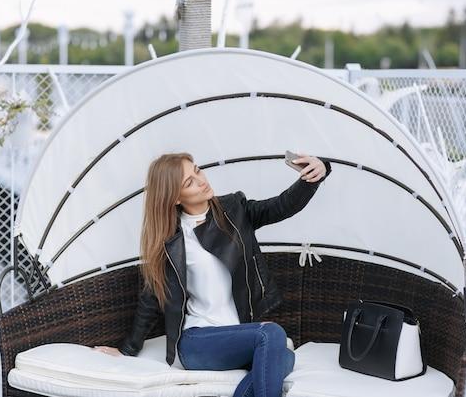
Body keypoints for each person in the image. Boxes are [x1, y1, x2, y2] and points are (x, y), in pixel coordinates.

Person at [94, 152, 332, 397]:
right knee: (272, 335)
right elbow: (150, 298)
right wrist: (127, 349)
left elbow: (281, 206)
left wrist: (316, 173)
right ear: (175, 198)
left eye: (197, 170)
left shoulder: (234, 209)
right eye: (189, 182)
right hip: (198, 341)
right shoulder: (170, 242)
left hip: (238, 336)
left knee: (285, 356)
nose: (201, 180)